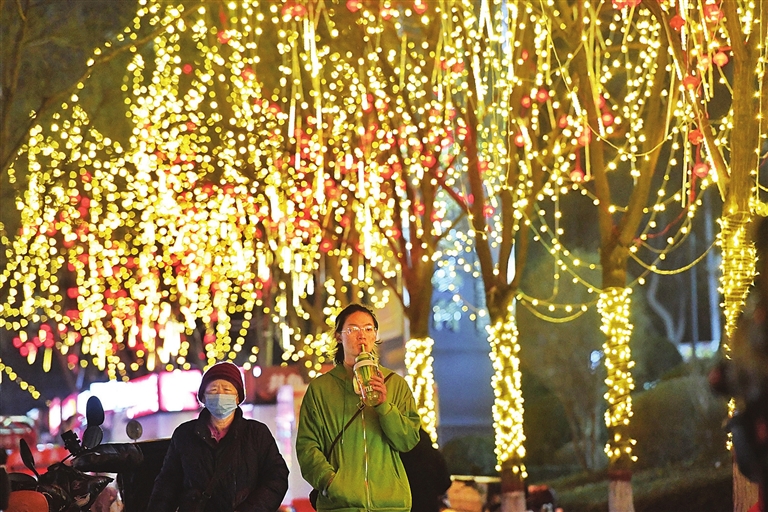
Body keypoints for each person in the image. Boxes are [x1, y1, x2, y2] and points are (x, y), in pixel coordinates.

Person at [296, 303, 421, 512]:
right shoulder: (321, 389)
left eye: (368, 329)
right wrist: (330, 482)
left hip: (390, 505)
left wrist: (384, 406)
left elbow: (408, 441)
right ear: (338, 336)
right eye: (352, 329)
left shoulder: (395, 383)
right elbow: (307, 447)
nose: (361, 335)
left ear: (375, 336)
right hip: (340, 506)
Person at [146, 361, 289, 512]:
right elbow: (167, 484)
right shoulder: (184, 435)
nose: (220, 395)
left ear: (237, 397)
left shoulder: (257, 434)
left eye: (227, 390)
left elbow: (276, 478)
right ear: (203, 398)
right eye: (213, 390)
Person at [399, 428, 452, 512]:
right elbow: (445, 482)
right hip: (429, 504)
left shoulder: (401, 456)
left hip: (406, 504)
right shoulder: (435, 456)